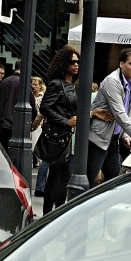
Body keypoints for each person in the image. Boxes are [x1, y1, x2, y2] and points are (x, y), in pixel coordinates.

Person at [87, 47, 131, 186]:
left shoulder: (130, 83)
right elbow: (120, 113)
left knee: (113, 183)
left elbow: (127, 112)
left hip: (113, 140)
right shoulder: (112, 81)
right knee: (89, 181)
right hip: (98, 139)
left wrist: (125, 135)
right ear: (121, 64)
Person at [38, 46, 78, 214]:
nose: (76, 65)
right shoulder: (57, 84)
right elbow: (45, 108)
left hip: (64, 136)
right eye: (72, 62)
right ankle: (54, 214)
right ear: (64, 64)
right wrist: (66, 122)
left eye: (78, 62)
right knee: (60, 177)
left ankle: (51, 213)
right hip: (57, 136)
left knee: (57, 177)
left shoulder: (70, 85)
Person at [0, 64, 37, 156]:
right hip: (17, 124)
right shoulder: (23, 83)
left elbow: (0, 102)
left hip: (3, 123)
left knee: (4, 153)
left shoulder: (4, 82)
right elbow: (32, 105)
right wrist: (31, 122)